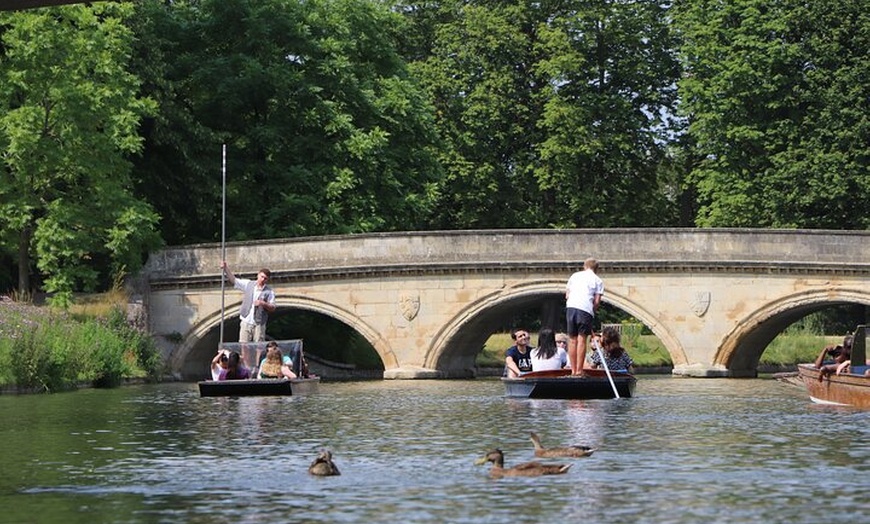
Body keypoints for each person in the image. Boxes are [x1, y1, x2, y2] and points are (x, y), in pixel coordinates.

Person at [565, 257, 604, 376]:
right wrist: (592, 312)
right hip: (585, 310)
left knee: (572, 339)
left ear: (584, 266)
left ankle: (572, 370)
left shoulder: (574, 276)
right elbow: (596, 301)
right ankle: (579, 370)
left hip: (571, 307)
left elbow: (567, 295)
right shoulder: (598, 280)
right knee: (582, 340)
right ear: (596, 269)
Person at [221, 261, 276, 343]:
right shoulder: (248, 284)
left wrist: (263, 304)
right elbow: (234, 280)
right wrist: (226, 269)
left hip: (259, 323)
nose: (263, 279)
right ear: (258, 275)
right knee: (243, 344)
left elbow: (273, 308)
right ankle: (244, 356)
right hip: (246, 319)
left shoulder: (269, 291)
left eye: (265, 278)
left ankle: (258, 356)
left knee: (259, 345)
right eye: (262, 277)